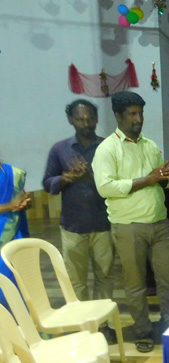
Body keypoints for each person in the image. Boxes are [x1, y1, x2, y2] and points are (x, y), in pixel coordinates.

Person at [92, 91, 169, 353]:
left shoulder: (150, 145)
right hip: (129, 227)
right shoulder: (107, 149)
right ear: (118, 116)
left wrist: (165, 178)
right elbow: (105, 187)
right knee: (135, 284)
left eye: (140, 113)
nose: (138, 119)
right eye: (132, 114)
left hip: (160, 224)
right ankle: (142, 331)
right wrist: (148, 179)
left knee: (168, 279)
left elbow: (164, 182)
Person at [43, 99, 114, 302]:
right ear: (70, 120)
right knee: (76, 281)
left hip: (104, 224)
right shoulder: (60, 150)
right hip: (73, 226)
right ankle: (82, 319)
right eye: (80, 119)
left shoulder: (107, 147)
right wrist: (66, 178)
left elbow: (117, 183)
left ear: (97, 119)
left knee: (105, 277)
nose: (86, 124)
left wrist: (89, 176)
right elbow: (48, 183)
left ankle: (103, 318)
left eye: (90, 119)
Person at [0, 160, 31, 310]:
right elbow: (11, 203)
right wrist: (9, 206)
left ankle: (23, 321)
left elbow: (22, 198)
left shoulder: (13, 173)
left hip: (13, 236)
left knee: (18, 284)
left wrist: (24, 203)